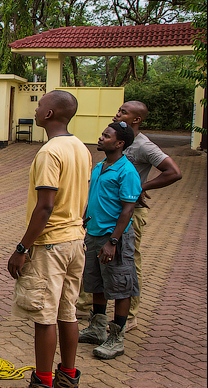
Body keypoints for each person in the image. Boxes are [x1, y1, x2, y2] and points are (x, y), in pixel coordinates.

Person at [2, 90, 91, 388]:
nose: (36, 109)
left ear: (50, 113)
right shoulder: (81, 148)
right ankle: (67, 380)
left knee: (44, 316)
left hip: (50, 244)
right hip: (75, 242)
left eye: (40, 105)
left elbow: (45, 207)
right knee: (67, 313)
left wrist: (22, 248)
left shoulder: (50, 152)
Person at [75, 101, 182, 331]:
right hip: (101, 219)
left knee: (127, 265)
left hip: (126, 215)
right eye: (119, 110)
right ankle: (93, 316)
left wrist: (141, 188)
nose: (118, 113)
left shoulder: (144, 147)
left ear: (136, 120)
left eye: (123, 112)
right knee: (96, 266)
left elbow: (174, 172)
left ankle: (127, 319)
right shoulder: (104, 161)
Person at [77, 121, 141, 360]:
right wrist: (84, 219)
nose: (101, 138)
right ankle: (96, 329)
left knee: (121, 287)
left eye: (107, 135)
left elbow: (127, 210)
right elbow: (94, 197)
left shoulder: (126, 171)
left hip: (114, 238)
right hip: (94, 234)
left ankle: (117, 337)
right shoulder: (101, 166)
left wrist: (113, 241)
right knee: (96, 283)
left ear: (120, 143)